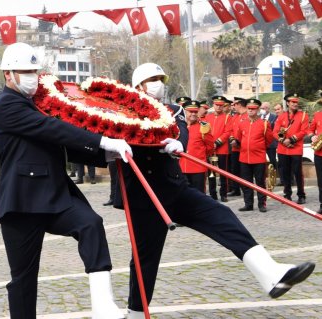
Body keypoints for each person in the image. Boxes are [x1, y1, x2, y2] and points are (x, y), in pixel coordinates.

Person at [121, 63, 315, 319]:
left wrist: (176, 142)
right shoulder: (122, 112)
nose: (158, 83)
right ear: (138, 86)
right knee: (145, 259)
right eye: (152, 79)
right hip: (144, 197)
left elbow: (182, 133)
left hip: (175, 189)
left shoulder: (172, 110)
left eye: (160, 78)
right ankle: (135, 314)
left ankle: (270, 273)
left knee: (222, 217)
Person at [0, 42, 132, 319]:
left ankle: (102, 303)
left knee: (91, 224)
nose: (32, 76)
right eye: (25, 71)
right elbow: (52, 129)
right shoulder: (7, 105)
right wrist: (103, 140)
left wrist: (109, 153)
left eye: (34, 70)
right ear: (8, 74)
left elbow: (62, 143)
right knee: (23, 279)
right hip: (22, 203)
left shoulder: (36, 103)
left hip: (55, 195)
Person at [232, 98, 273, 212]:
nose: (250, 111)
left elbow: (269, 140)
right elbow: (239, 139)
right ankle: (248, 204)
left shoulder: (264, 124)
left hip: (258, 157)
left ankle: (262, 204)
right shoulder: (242, 123)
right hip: (244, 157)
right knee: (246, 182)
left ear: (258, 109)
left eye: (253, 109)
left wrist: (258, 147)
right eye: (249, 108)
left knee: (260, 182)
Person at [273, 93, 308, 204]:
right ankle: (287, 194)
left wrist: (291, 140)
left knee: (298, 173)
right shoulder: (281, 116)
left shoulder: (303, 116)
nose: (295, 104)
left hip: (296, 149)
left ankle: (301, 195)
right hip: (283, 149)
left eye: (296, 102)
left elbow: (304, 131)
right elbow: (275, 132)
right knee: (285, 173)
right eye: (292, 102)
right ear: (288, 103)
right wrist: (284, 141)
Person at [179, 100, 214, 193]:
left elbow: (210, 147)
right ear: (185, 111)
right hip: (181, 167)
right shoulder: (178, 126)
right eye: (191, 111)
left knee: (199, 195)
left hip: (198, 168)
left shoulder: (203, 127)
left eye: (195, 111)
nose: (193, 114)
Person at [206, 95, 233, 201]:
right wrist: (209, 143)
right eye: (217, 105)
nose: (219, 107)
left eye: (221, 106)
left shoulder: (227, 117)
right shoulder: (208, 117)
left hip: (222, 149)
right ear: (213, 105)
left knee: (223, 172)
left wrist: (217, 142)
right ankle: (213, 194)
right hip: (210, 149)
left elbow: (227, 132)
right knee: (211, 174)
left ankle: (223, 194)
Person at [228, 97, 248, 197]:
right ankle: (236, 189)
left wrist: (238, 142)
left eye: (234, 104)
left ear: (239, 104)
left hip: (243, 148)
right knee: (234, 169)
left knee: (244, 171)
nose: (233, 106)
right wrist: (232, 139)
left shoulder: (248, 115)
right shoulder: (235, 117)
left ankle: (245, 190)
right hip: (235, 147)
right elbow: (231, 130)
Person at [308, 102, 322, 214]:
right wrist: (313, 136)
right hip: (319, 154)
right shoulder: (317, 115)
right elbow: (310, 130)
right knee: (321, 181)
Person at [260, 101, 278, 173]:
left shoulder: (274, 117)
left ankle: (274, 174)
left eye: (263, 108)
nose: (261, 110)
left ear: (267, 108)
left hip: (271, 143)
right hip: (261, 143)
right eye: (261, 108)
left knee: (272, 160)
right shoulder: (258, 117)